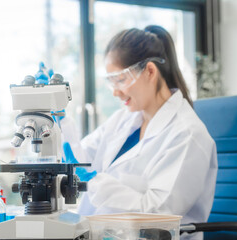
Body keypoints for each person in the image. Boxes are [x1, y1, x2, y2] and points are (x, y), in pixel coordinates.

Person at [60, 25, 217, 240]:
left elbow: (159, 217)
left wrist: (96, 183)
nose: (115, 92)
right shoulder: (124, 118)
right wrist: (60, 123)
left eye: (121, 80)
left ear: (150, 71)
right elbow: (82, 159)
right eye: (111, 81)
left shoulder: (187, 135)